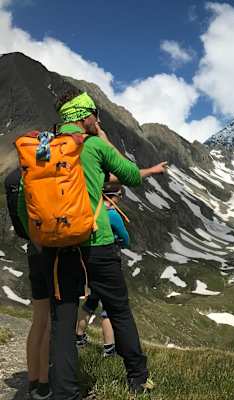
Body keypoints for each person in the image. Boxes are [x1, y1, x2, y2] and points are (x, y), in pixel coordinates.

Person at [17, 89, 167, 399]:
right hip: (97, 242)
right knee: (119, 310)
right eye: (95, 116)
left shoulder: (43, 150)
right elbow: (130, 176)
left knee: (62, 321)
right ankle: (138, 380)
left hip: (59, 249)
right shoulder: (95, 145)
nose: (97, 120)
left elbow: (24, 203)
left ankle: (64, 393)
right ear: (86, 117)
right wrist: (102, 135)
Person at [4, 169, 52, 399]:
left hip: (33, 250)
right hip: (54, 250)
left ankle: (33, 381)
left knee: (38, 319)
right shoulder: (46, 173)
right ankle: (45, 384)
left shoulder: (14, 179)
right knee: (53, 320)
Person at [76, 182, 129, 358]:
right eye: (119, 196)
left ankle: (79, 337)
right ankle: (109, 349)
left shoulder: (91, 209)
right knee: (108, 306)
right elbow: (126, 239)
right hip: (107, 262)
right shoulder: (112, 215)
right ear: (113, 196)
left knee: (91, 301)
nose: (120, 200)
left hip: (89, 260)